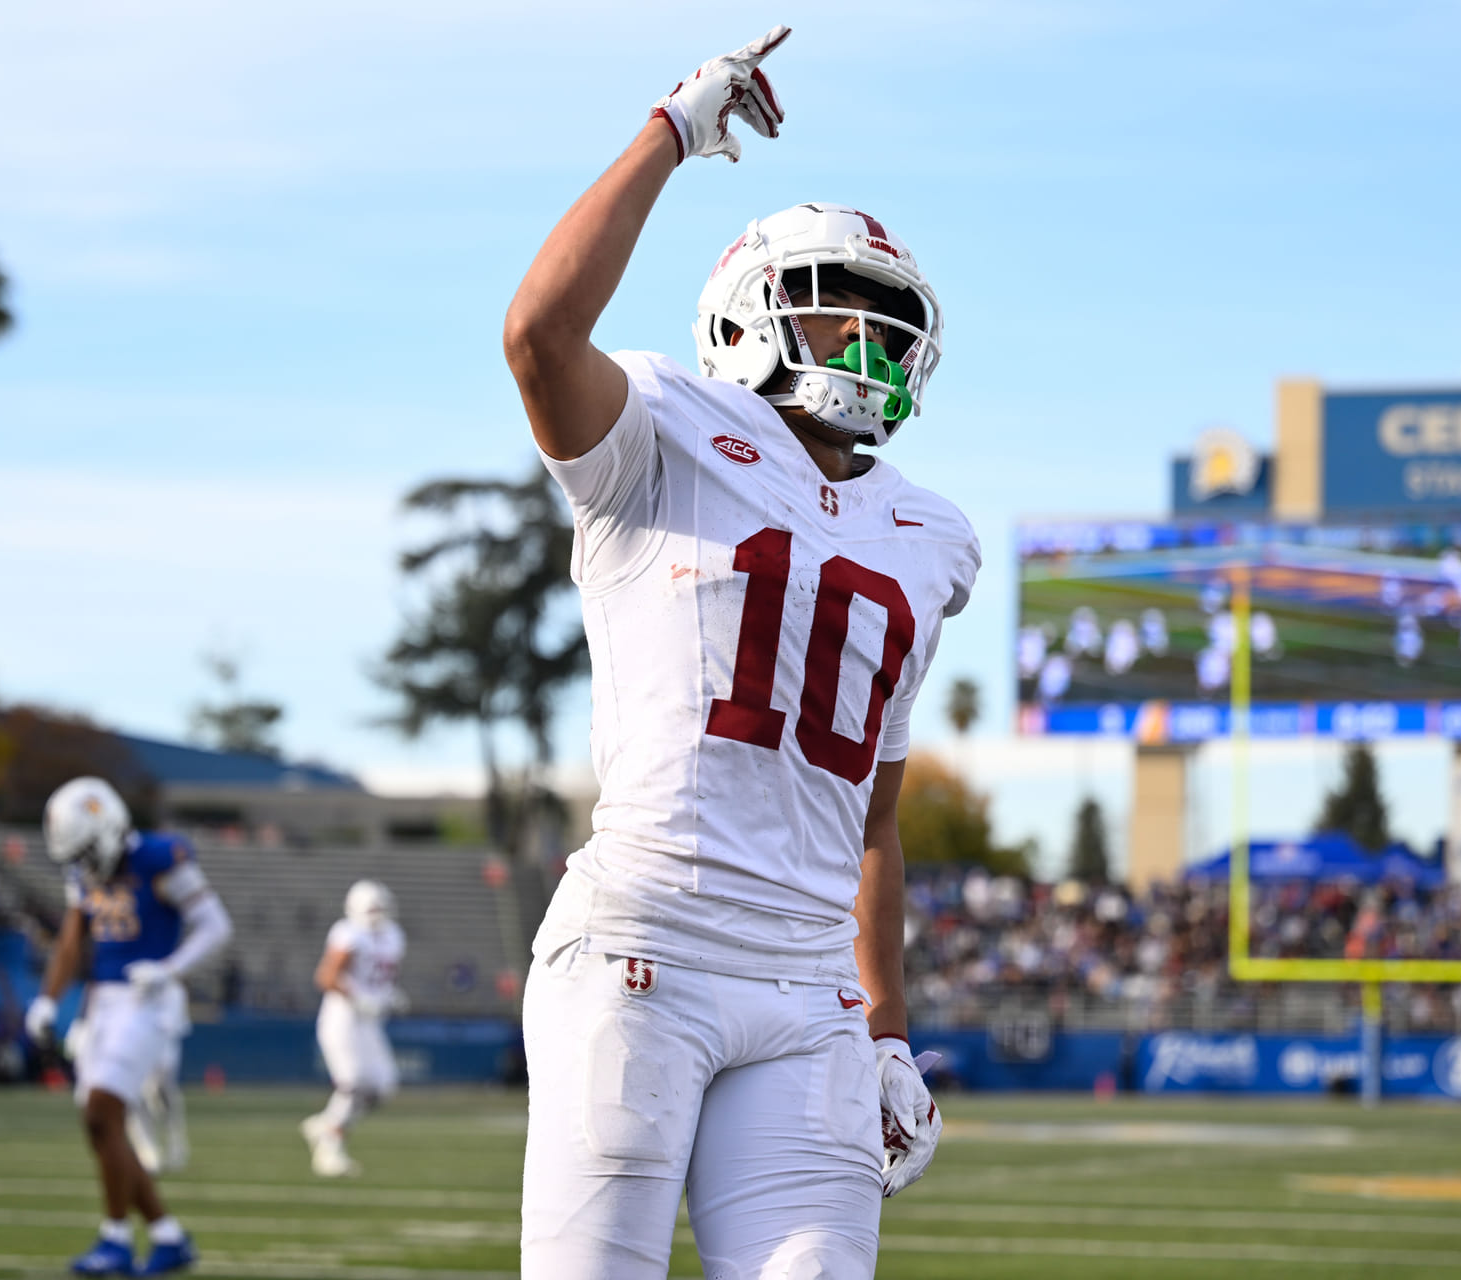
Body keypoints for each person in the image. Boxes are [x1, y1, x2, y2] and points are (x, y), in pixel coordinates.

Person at [501, 26, 974, 1278]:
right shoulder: (663, 427)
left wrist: (889, 1031)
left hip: (814, 983)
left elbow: (872, 816)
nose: (867, 343)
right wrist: (669, 133)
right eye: (838, 311)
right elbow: (540, 334)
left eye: (887, 320)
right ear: (747, 318)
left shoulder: (933, 538)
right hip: (643, 941)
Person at [24, 777, 232, 1276]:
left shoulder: (160, 859)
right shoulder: (84, 868)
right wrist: (49, 1001)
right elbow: (73, 940)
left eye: (89, 851)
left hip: (150, 999)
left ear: (112, 825)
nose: (86, 865)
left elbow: (216, 926)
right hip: (103, 1002)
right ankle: (167, 1236)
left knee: (101, 1113)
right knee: (102, 1126)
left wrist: (170, 968)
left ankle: (115, 1240)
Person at [300, 879, 407, 1177]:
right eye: (370, 908)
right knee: (353, 1083)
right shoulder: (348, 933)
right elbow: (326, 977)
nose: (376, 914)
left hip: (370, 1023)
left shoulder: (394, 935)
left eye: (379, 907)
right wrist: (360, 1000)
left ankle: (326, 1124)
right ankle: (329, 1150)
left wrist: (389, 997)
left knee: (383, 1085)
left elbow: (382, 979)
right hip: (342, 1018)